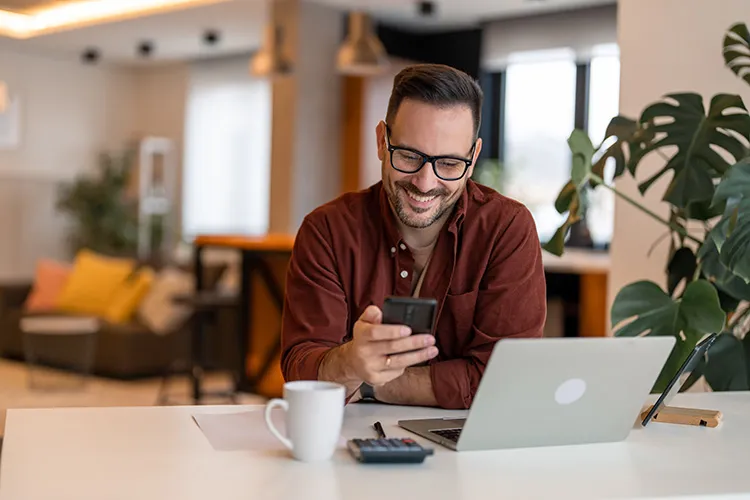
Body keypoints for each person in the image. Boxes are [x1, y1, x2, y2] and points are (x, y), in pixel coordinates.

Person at [280, 63, 546, 409]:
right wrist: (348, 362)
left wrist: (371, 383)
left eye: (449, 164)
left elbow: (507, 381)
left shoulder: (506, 229)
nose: (425, 182)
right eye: (408, 156)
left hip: (469, 445)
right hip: (352, 444)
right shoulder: (328, 231)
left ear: (473, 156)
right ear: (381, 141)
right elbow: (301, 368)